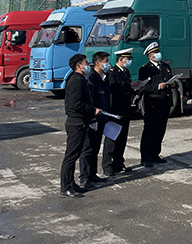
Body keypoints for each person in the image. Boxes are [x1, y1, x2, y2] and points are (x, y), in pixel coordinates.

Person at [59, 54, 101, 198]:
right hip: (76, 123)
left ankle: (71, 183)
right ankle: (65, 187)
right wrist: (92, 110)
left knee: (75, 154)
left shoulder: (80, 79)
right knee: (71, 156)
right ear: (79, 66)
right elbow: (75, 104)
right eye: (86, 63)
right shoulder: (76, 80)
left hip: (81, 122)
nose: (88, 65)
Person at [102, 48, 137, 176]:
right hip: (115, 110)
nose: (129, 61)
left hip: (125, 109)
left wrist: (136, 88)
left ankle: (118, 163)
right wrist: (130, 86)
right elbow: (115, 89)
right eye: (128, 59)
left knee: (122, 138)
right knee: (112, 138)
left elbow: (126, 88)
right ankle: (107, 166)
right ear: (121, 59)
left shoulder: (125, 71)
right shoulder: (112, 73)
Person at [79, 51, 111, 189]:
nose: (108, 64)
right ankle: (84, 177)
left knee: (96, 147)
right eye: (106, 61)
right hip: (93, 118)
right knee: (88, 148)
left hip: (102, 117)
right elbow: (91, 99)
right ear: (98, 63)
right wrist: (92, 116)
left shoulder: (102, 77)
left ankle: (92, 174)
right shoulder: (91, 78)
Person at [139, 42, 173, 168]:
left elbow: (169, 79)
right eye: (155, 53)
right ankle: (146, 157)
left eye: (158, 52)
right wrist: (158, 86)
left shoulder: (165, 66)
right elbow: (144, 86)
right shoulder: (145, 69)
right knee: (150, 130)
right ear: (150, 56)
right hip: (153, 102)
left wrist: (172, 83)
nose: (158, 54)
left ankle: (155, 154)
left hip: (164, 101)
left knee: (160, 130)